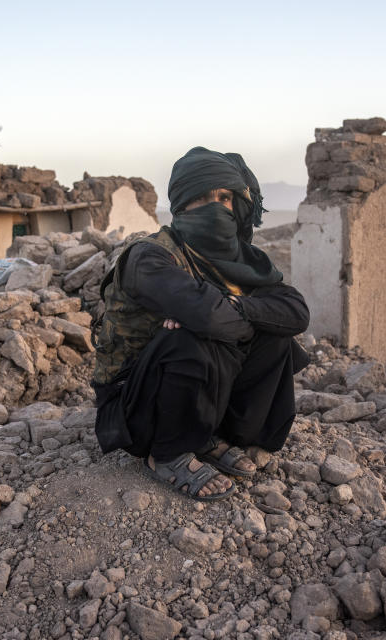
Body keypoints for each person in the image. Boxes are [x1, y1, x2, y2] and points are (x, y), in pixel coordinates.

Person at [92, 146, 310, 500]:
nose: (215, 207)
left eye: (224, 197)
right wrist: (231, 314)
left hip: (199, 390)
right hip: (134, 402)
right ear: (181, 206)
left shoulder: (243, 261)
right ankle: (167, 454)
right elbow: (210, 319)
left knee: (274, 336)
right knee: (193, 338)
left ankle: (215, 437)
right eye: (201, 198)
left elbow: (296, 312)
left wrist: (235, 307)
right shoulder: (151, 257)